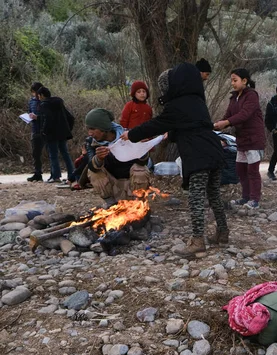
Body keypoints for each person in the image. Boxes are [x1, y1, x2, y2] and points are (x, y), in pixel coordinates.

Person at [123, 62, 228, 258]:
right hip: (213, 151)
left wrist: (132, 134)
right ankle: (223, 233)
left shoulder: (177, 104)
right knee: (213, 194)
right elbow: (188, 126)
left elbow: (157, 124)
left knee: (196, 198)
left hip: (198, 155)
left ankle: (198, 242)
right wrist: (168, 135)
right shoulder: (196, 101)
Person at [214, 68, 265, 209]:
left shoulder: (252, 96)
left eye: (235, 80)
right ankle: (245, 197)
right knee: (240, 169)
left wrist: (226, 123)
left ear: (244, 81)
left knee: (252, 170)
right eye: (231, 80)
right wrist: (217, 125)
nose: (232, 83)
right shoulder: (234, 98)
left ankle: (255, 200)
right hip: (242, 140)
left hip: (254, 139)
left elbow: (244, 114)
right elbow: (228, 115)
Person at [85, 108, 151, 207]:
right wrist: (99, 159)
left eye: (93, 129)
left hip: (132, 186)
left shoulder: (129, 135)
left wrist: (142, 147)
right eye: (88, 129)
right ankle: (111, 205)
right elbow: (91, 166)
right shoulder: (91, 142)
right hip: (113, 187)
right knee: (93, 171)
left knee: (140, 169)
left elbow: (143, 162)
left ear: (104, 129)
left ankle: (138, 203)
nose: (90, 133)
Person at [37, 86, 75, 183]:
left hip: (51, 134)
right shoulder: (59, 103)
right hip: (62, 133)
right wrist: (68, 129)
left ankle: (56, 176)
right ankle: (72, 174)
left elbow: (47, 118)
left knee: (53, 155)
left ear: (41, 95)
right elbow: (70, 117)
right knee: (65, 154)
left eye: (39, 96)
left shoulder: (44, 104)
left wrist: (44, 131)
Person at [27, 82, 45, 182]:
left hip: (45, 130)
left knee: (51, 153)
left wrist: (38, 117)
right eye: (33, 92)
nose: (35, 95)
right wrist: (29, 116)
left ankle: (55, 174)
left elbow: (48, 116)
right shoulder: (31, 101)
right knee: (35, 153)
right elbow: (29, 111)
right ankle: (37, 173)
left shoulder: (45, 101)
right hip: (35, 129)